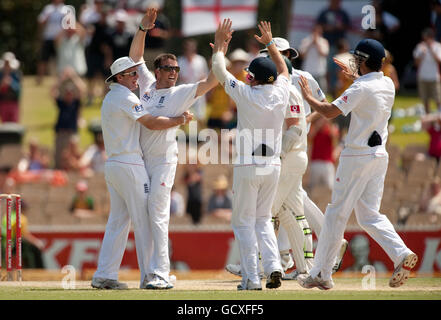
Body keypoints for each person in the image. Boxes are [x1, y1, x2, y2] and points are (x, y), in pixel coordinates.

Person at [297, 38, 418, 290]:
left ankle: (320, 273)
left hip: (356, 156)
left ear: (363, 61)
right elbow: (366, 90)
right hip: (378, 157)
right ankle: (401, 253)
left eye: (357, 60)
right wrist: (357, 77)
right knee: (368, 215)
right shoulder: (387, 84)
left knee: (335, 213)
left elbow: (329, 111)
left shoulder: (360, 89)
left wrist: (308, 96)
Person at [128, 8, 220, 289]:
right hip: (141, 160)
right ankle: (149, 273)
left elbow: (211, 82)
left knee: (158, 212)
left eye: (177, 69)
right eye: (169, 69)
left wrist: (221, 53)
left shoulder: (181, 93)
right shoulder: (146, 85)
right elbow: (134, 58)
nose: (174, 73)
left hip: (164, 161)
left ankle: (161, 273)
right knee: (144, 216)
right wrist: (143, 28)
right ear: (158, 71)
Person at [91, 54, 193, 290]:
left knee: (118, 221)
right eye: (132, 74)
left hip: (114, 165)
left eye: (137, 72)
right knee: (145, 219)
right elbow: (151, 122)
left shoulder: (111, 97)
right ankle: (152, 275)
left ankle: (104, 274)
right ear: (119, 77)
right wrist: (179, 119)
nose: (137, 78)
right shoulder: (126, 97)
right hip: (130, 165)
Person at [211, 20, 289, 290]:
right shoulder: (282, 91)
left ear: (252, 78)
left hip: (248, 165)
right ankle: (274, 266)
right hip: (273, 166)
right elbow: (282, 69)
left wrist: (221, 45)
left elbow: (219, 70)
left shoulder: (246, 94)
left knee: (244, 223)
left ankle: (252, 279)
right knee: (263, 219)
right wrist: (270, 43)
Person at [51, 67, 86, 169]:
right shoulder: (61, 103)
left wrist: (73, 77)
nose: (69, 95)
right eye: (67, 93)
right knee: (58, 157)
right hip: (61, 132)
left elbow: (82, 89)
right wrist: (61, 79)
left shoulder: (76, 103)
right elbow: (52, 91)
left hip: (71, 132)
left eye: (70, 93)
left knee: (73, 155)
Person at [177, 39, 210, 123]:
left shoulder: (200, 60)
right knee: (182, 114)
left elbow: (205, 75)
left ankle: (200, 133)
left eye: (191, 47)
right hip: (183, 91)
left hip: (198, 91)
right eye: (187, 47)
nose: (189, 49)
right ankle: (183, 135)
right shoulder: (179, 60)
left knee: (200, 115)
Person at [36, 0, 66, 84]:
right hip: (48, 37)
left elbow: (69, 24)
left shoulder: (65, 9)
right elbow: (40, 21)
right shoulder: (48, 8)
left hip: (60, 39)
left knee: (59, 60)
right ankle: (40, 79)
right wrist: (46, 18)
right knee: (43, 59)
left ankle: (60, 79)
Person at [414, 28, 441, 114]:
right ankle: (427, 117)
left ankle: (439, 117)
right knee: (425, 100)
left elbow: (439, 61)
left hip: (434, 77)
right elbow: (416, 64)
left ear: (431, 37)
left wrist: (431, 50)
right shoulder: (420, 47)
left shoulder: (437, 46)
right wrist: (422, 54)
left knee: (438, 99)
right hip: (422, 77)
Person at [308, 117, 340, 190]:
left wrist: (330, 125)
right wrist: (318, 125)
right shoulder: (315, 128)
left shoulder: (332, 128)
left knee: (330, 188)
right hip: (315, 162)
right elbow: (309, 137)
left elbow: (335, 140)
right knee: (312, 188)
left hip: (327, 163)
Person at [299, 24, 329, 94]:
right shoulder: (306, 41)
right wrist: (310, 44)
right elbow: (302, 56)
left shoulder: (324, 41)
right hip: (308, 70)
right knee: (307, 92)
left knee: (322, 92)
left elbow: (324, 54)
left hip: (320, 71)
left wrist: (317, 43)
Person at [0, 52, 22, 123]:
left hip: (13, 102)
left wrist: (11, 83)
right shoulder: (1, 75)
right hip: (3, 102)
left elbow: (18, 89)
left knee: (14, 123)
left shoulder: (16, 74)